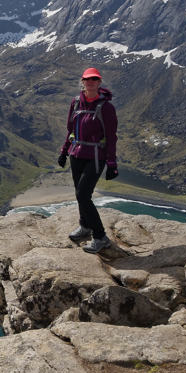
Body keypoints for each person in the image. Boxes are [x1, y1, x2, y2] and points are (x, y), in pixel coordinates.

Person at [57, 67, 118, 253]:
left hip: (96, 156)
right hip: (77, 154)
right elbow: (71, 130)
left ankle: (100, 237)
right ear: (82, 82)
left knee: (83, 194)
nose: (90, 82)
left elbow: (111, 136)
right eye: (87, 79)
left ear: (99, 82)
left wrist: (112, 163)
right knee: (79, 193)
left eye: (94, 79)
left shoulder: (106, 107)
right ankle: (85, 227)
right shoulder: (76, 103)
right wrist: (64, 151)